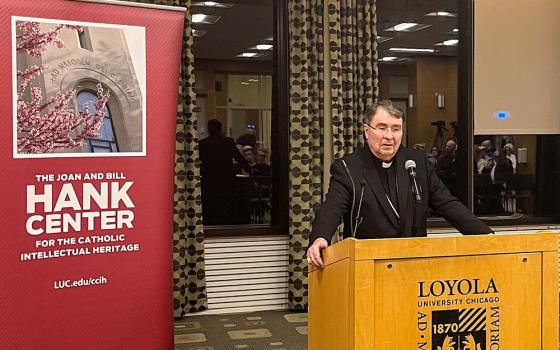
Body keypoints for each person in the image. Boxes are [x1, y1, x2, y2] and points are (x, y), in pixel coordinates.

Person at [306, 100, 493, 268]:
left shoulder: (417, 164)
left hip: (413, 264)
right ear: (366, 130)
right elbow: (332, 208)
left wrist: (487, 237)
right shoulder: (348, 168)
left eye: (396, 129)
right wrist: (320, 237)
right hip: (368, 265)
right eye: (382, 127)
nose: (389, 136)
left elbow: (448, 205)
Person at [199, 119, 252, 225]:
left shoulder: (203, 144)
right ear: (220, 129)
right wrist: (249, 169)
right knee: (226, 205)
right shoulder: (228, 142)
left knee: (211, 206)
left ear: (209, 129)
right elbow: (239, 158)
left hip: (210, 179)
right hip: (226, 178)